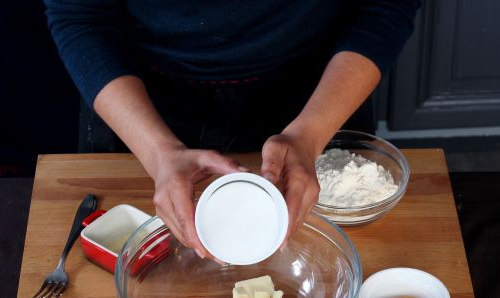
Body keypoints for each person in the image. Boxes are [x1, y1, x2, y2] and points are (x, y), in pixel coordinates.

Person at [44, 0, 420, 259]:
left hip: (318, 95)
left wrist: (311, 134)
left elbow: (383, 6)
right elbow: (81, 16)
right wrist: (159, 155)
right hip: (141, 103)